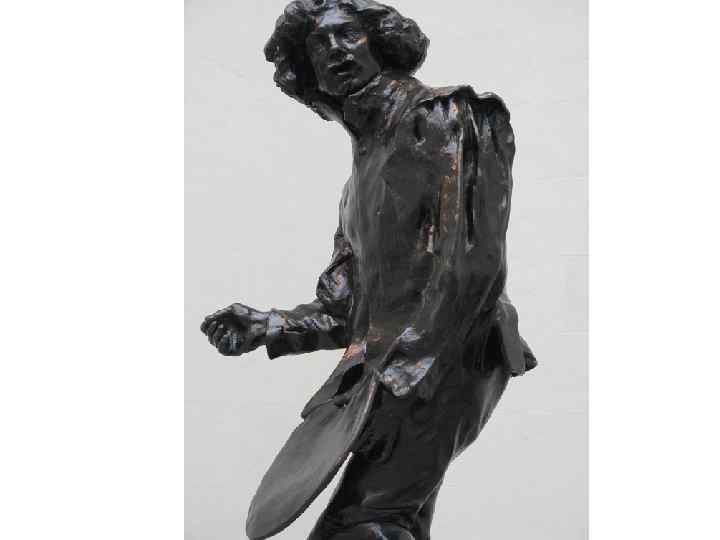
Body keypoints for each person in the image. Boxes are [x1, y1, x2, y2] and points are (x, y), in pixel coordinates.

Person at [201, 1, 537, 538]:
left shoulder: (445, 115)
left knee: (364, 523)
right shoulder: (356, 185)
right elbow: (347, 309)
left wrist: (405, 372)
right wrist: (270, 325)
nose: (335, 50)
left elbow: (472, 261)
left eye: (348, 35)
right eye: (318, 46)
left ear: (380, 41)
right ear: (307, 72)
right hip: (391, 368)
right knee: (394, 518)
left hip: (450, 354)